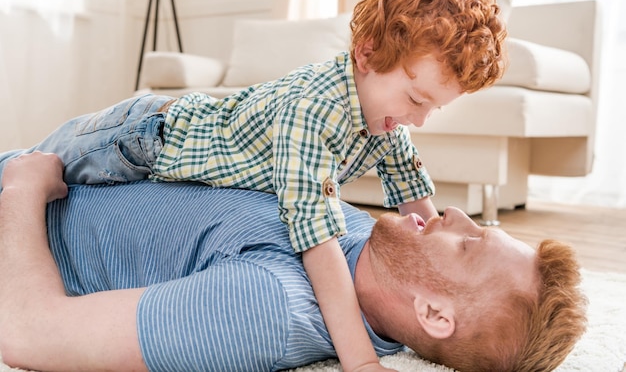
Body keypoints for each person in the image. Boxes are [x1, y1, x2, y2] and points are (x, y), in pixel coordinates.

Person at [0, 0, 507, 371]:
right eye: (416, 97)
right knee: (36, 170)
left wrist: (436, 256)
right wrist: (359, 360)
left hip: (194, 165)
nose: (418, 118)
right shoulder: (313, 111)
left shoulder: (388, 121)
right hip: (139, 140)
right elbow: (316, 239)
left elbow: (418, 204)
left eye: (433, 109)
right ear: (367, 54)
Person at [0, 152, 587, 372]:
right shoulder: (361, 239)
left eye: (466, 244)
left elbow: (27, 332)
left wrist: (22, 189)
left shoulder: (269, 308)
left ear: (434, 314)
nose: (453, 214)